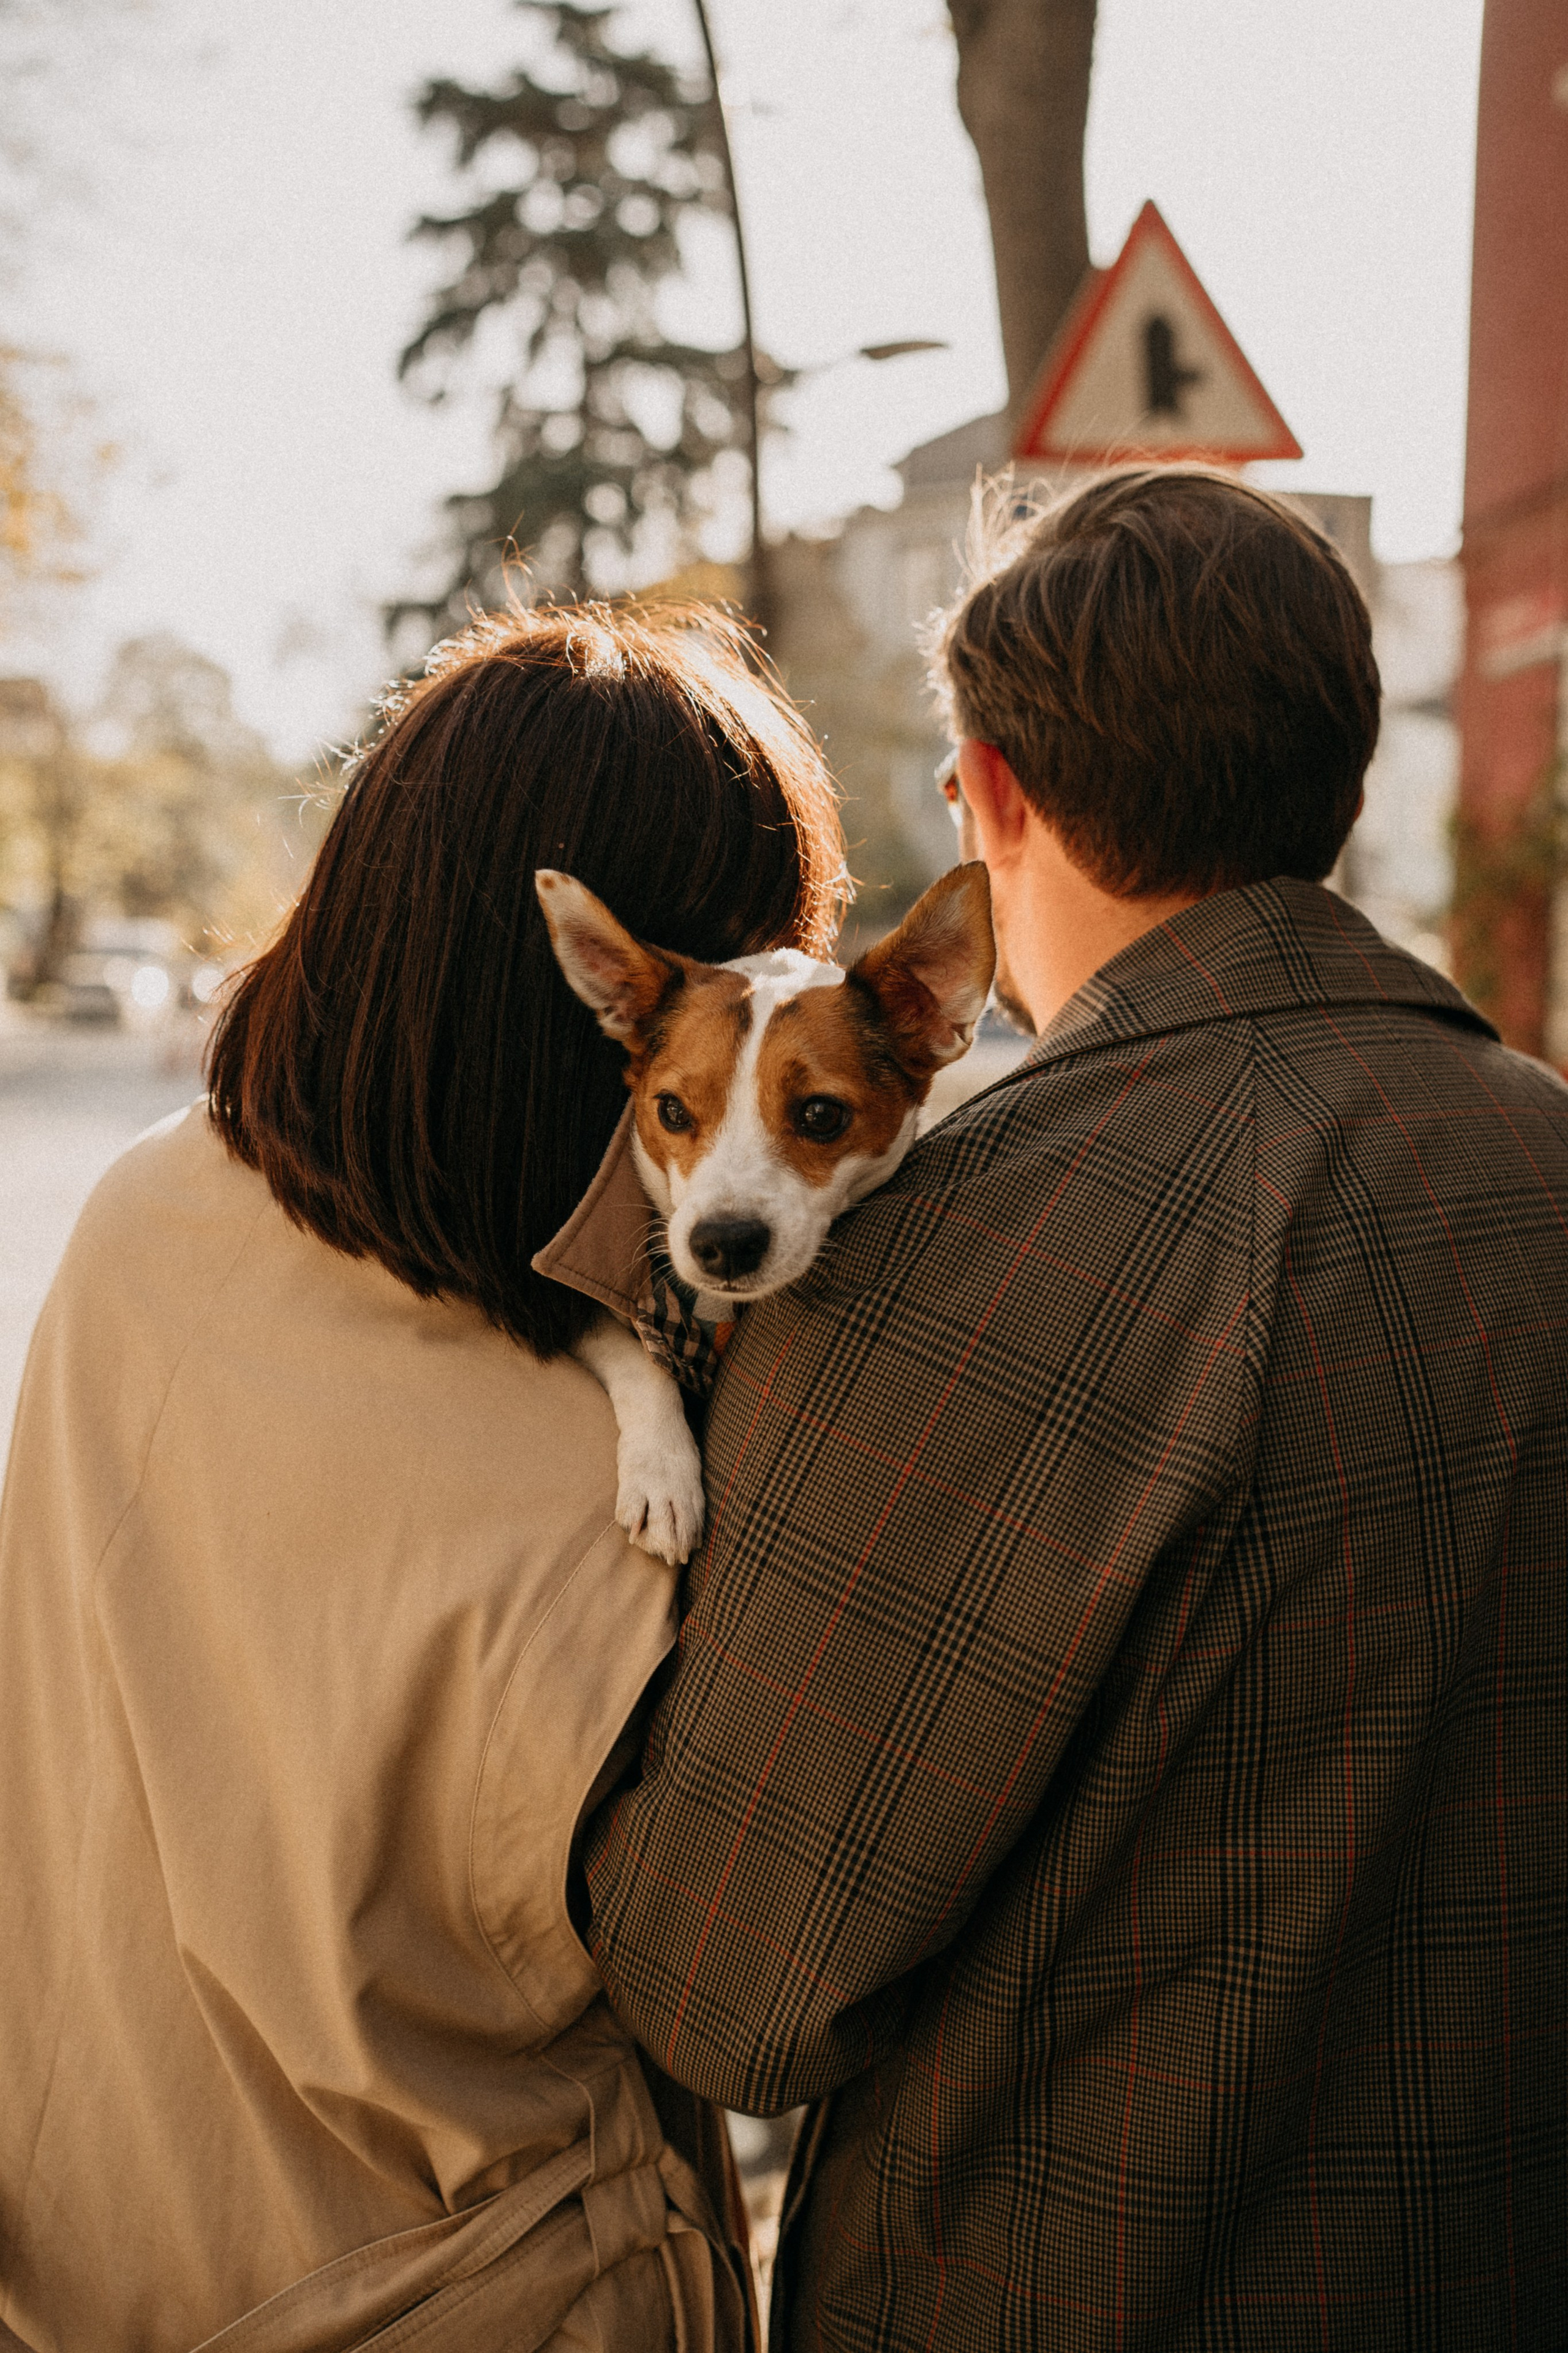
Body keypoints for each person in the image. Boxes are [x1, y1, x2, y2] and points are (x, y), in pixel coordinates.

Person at [571, 471, 1567, 2349]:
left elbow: (730, 1984)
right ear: (1341, 785)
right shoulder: (1544, 1163)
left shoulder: (934, 1260)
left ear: (997, 794)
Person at [0, 605, 843, 2352]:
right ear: (613, 1014)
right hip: (499, 2299)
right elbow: (761, 1998)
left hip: (87, 2262)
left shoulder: (150, 1214)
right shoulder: (633, 1496)